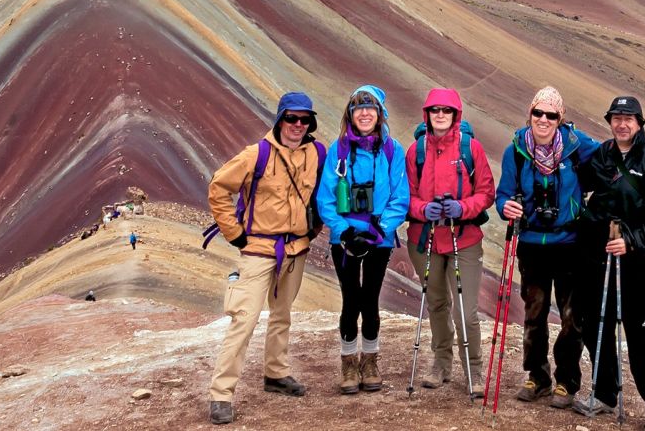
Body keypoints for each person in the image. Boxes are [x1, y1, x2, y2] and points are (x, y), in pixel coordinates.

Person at [205, 92, 324, 425]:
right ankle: (221, 394)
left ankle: (276, 374)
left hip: (296, 248)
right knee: (245, 318)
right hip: (258, 248)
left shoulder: (317, 153)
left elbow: (324, 193)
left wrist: (314, 227)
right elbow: (218, 187)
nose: (297, 125)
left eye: (304, 120)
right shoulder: (255, 154)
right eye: (291, 118)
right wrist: (235, 234)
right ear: (280, 119)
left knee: (282, 314)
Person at [574, 96, 645, 431]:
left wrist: (633, 240)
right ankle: (605, 394)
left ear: (640, 123)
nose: (622, 124)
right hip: (597, 258)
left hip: (636, 264)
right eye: (616, 118)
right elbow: (576, 189)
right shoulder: (601, 157)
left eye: (629, 119)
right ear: (609, 121)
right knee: (595, 326)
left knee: (642, 335)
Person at [495, 86, 600, 408]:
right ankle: (537, 377)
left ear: (560, 118)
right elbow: (503, 194)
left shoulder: (576, 146)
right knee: (534, 313)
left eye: (550, 114)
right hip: (531, 244)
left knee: (572, 317)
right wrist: (505, 208)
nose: (543, 119)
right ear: (529, 114)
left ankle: (566, 382)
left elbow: (608, 161)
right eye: (537, 113)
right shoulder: (516, 150)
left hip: (570, 244)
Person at [315, 85, 409, 395]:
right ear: (350, 114)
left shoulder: (393, 151)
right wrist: (343, 231)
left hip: (378, 239)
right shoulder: (338, 150)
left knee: (370, 299)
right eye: (358, 108)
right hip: (344, 240)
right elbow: (325, 198)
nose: (365, 113)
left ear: (381, 114)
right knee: (350, 299)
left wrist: (377, 231)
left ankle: (369, 361)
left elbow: (400, 197)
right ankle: (347, 363)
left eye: (370, 108)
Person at [404, 88, 494, 396]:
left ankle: (474, 369)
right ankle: (441, 363)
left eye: (446, 110)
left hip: (463, 238)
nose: (440, 114)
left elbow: (486, 192)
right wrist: (421, 209)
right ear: (426, 114)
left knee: (466, 310)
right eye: (434, 109)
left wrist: (462, 208)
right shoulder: (415, 151)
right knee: (437, 303)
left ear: (456, 115)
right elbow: (406, 197)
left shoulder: (471, 149)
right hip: (425, 239)